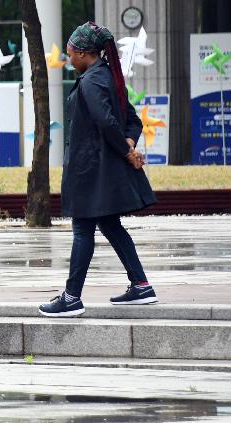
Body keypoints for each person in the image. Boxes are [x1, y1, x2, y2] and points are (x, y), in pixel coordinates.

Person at [39, 21, 157, 317]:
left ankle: (71, 297)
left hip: (90, 170)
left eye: (70, 54)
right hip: (103, 170)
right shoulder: (107, 77)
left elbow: (106, 121)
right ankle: (141, 285)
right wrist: (129, 145)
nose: (68, 59)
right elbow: (132, 120)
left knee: (82, 229)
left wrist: (127, 150)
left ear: (82, 53)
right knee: (109, 225)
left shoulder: (92, 81)